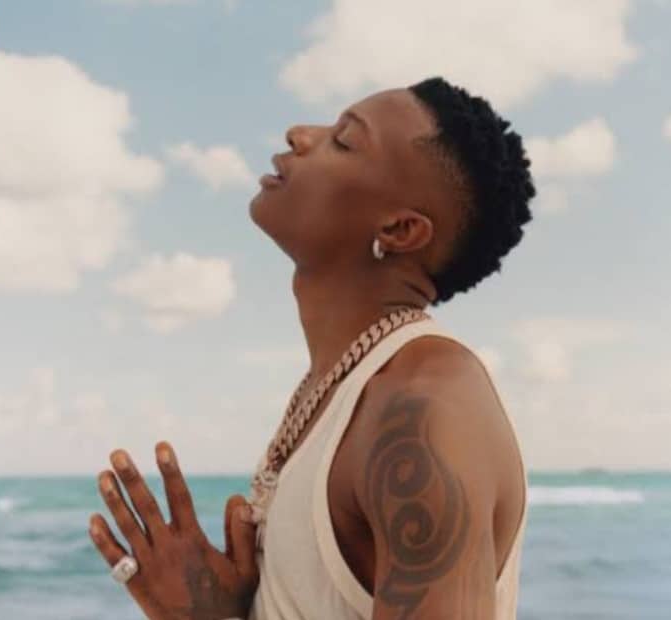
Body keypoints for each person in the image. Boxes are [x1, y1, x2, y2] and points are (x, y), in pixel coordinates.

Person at [88, 75, 536, 620]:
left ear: (399, 230)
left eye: (344, 141)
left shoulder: (423, 408)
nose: (300, 134)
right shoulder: (345, 386)